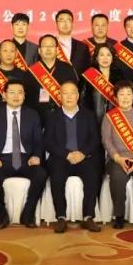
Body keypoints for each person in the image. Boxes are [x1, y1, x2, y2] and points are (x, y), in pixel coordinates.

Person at [0, 79, 47, 228]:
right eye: (12, 92)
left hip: (25, 159)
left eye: (20, 93)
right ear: (4, 95)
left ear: (24, 96)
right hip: (3, 159)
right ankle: (2, 214)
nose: (16, 96)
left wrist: (36, 156)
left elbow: (39, 140)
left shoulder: (32, 115)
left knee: (41, 174)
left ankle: (28, 213)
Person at [45, 81, 103, 233]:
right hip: (61, 158)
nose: (69, 96)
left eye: (72, 93)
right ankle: (61, 217)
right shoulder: (52, 116)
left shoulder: (88, 115)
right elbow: (48, 142)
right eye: (65, 93)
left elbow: (95, 139)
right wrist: (66, 154)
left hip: (83, 157)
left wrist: (82, 153)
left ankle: (88, 217)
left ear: (78, 96)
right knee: (57, 177)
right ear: (59, 96)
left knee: (92, 175)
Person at [101, 80, 133, 230]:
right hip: (117, 158)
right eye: (121, 94)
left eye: (129, 94)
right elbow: (106, 140)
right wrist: (118, 158)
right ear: (115, 98)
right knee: (117, 176)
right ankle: (119, 216)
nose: (125, 97)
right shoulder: (109, 117)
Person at [29, 34, 79, 121]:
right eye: (45, 46)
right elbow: (28, 99)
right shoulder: (31, 72)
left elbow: (75, 93)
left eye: (51, 46)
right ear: (39, 50)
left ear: (57, 50)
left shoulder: (68, 69)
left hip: (63, 118)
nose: (48, 49)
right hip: (38, 119)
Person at [0, 40, 34, 115]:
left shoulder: (24, 75)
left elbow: (27, 101)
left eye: (12, 51)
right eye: (5, 51)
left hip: (18, 116)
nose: (9, 54)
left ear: (16, 54)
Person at [80, 43, 127, 123]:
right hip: (92, 120)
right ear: (96, 58)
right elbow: (82, 101)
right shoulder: (88, 74)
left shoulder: (119, 75)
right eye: (101, 55)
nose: (105, 58)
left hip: (115, 121)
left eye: (108, 55)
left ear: (112, 58)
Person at [54, 8, 91, 74]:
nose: (65, 23)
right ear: (56, 24)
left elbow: (87, 72)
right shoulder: (49, 45)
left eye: (68, 20)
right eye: (62, 20)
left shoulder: (82, 47)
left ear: (72, 24)